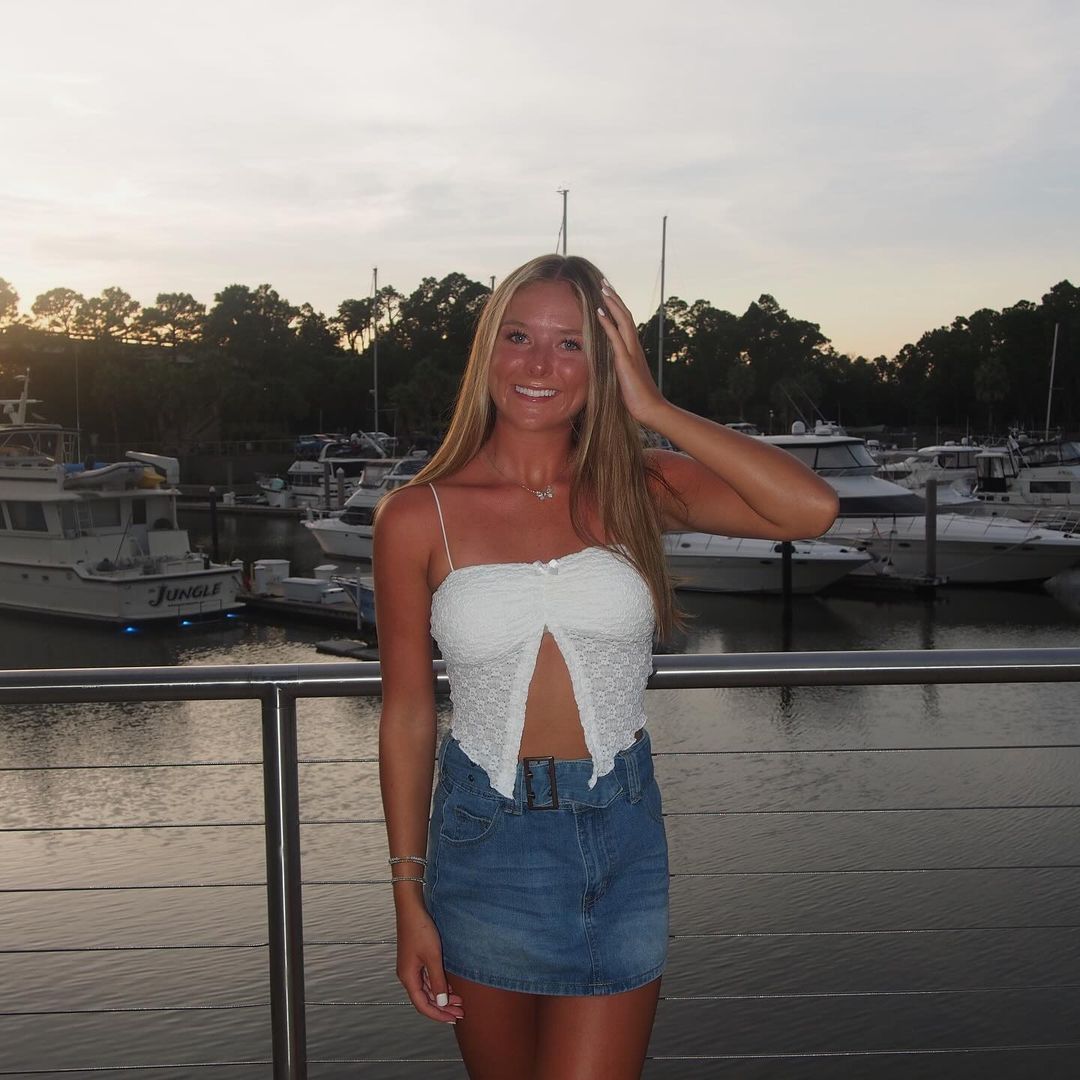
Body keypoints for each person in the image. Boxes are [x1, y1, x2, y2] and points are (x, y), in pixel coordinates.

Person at [374, 254, 837, 1079]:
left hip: (621, 835)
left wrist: (653, 407)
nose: (539, 365)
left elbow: (811, 509)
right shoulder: (417, 515)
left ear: (604, 364)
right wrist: (407, 895)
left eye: (571, 345)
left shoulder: (638, 486)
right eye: (519, 337)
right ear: (488, 350)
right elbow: (408, 713)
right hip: (485, 842)